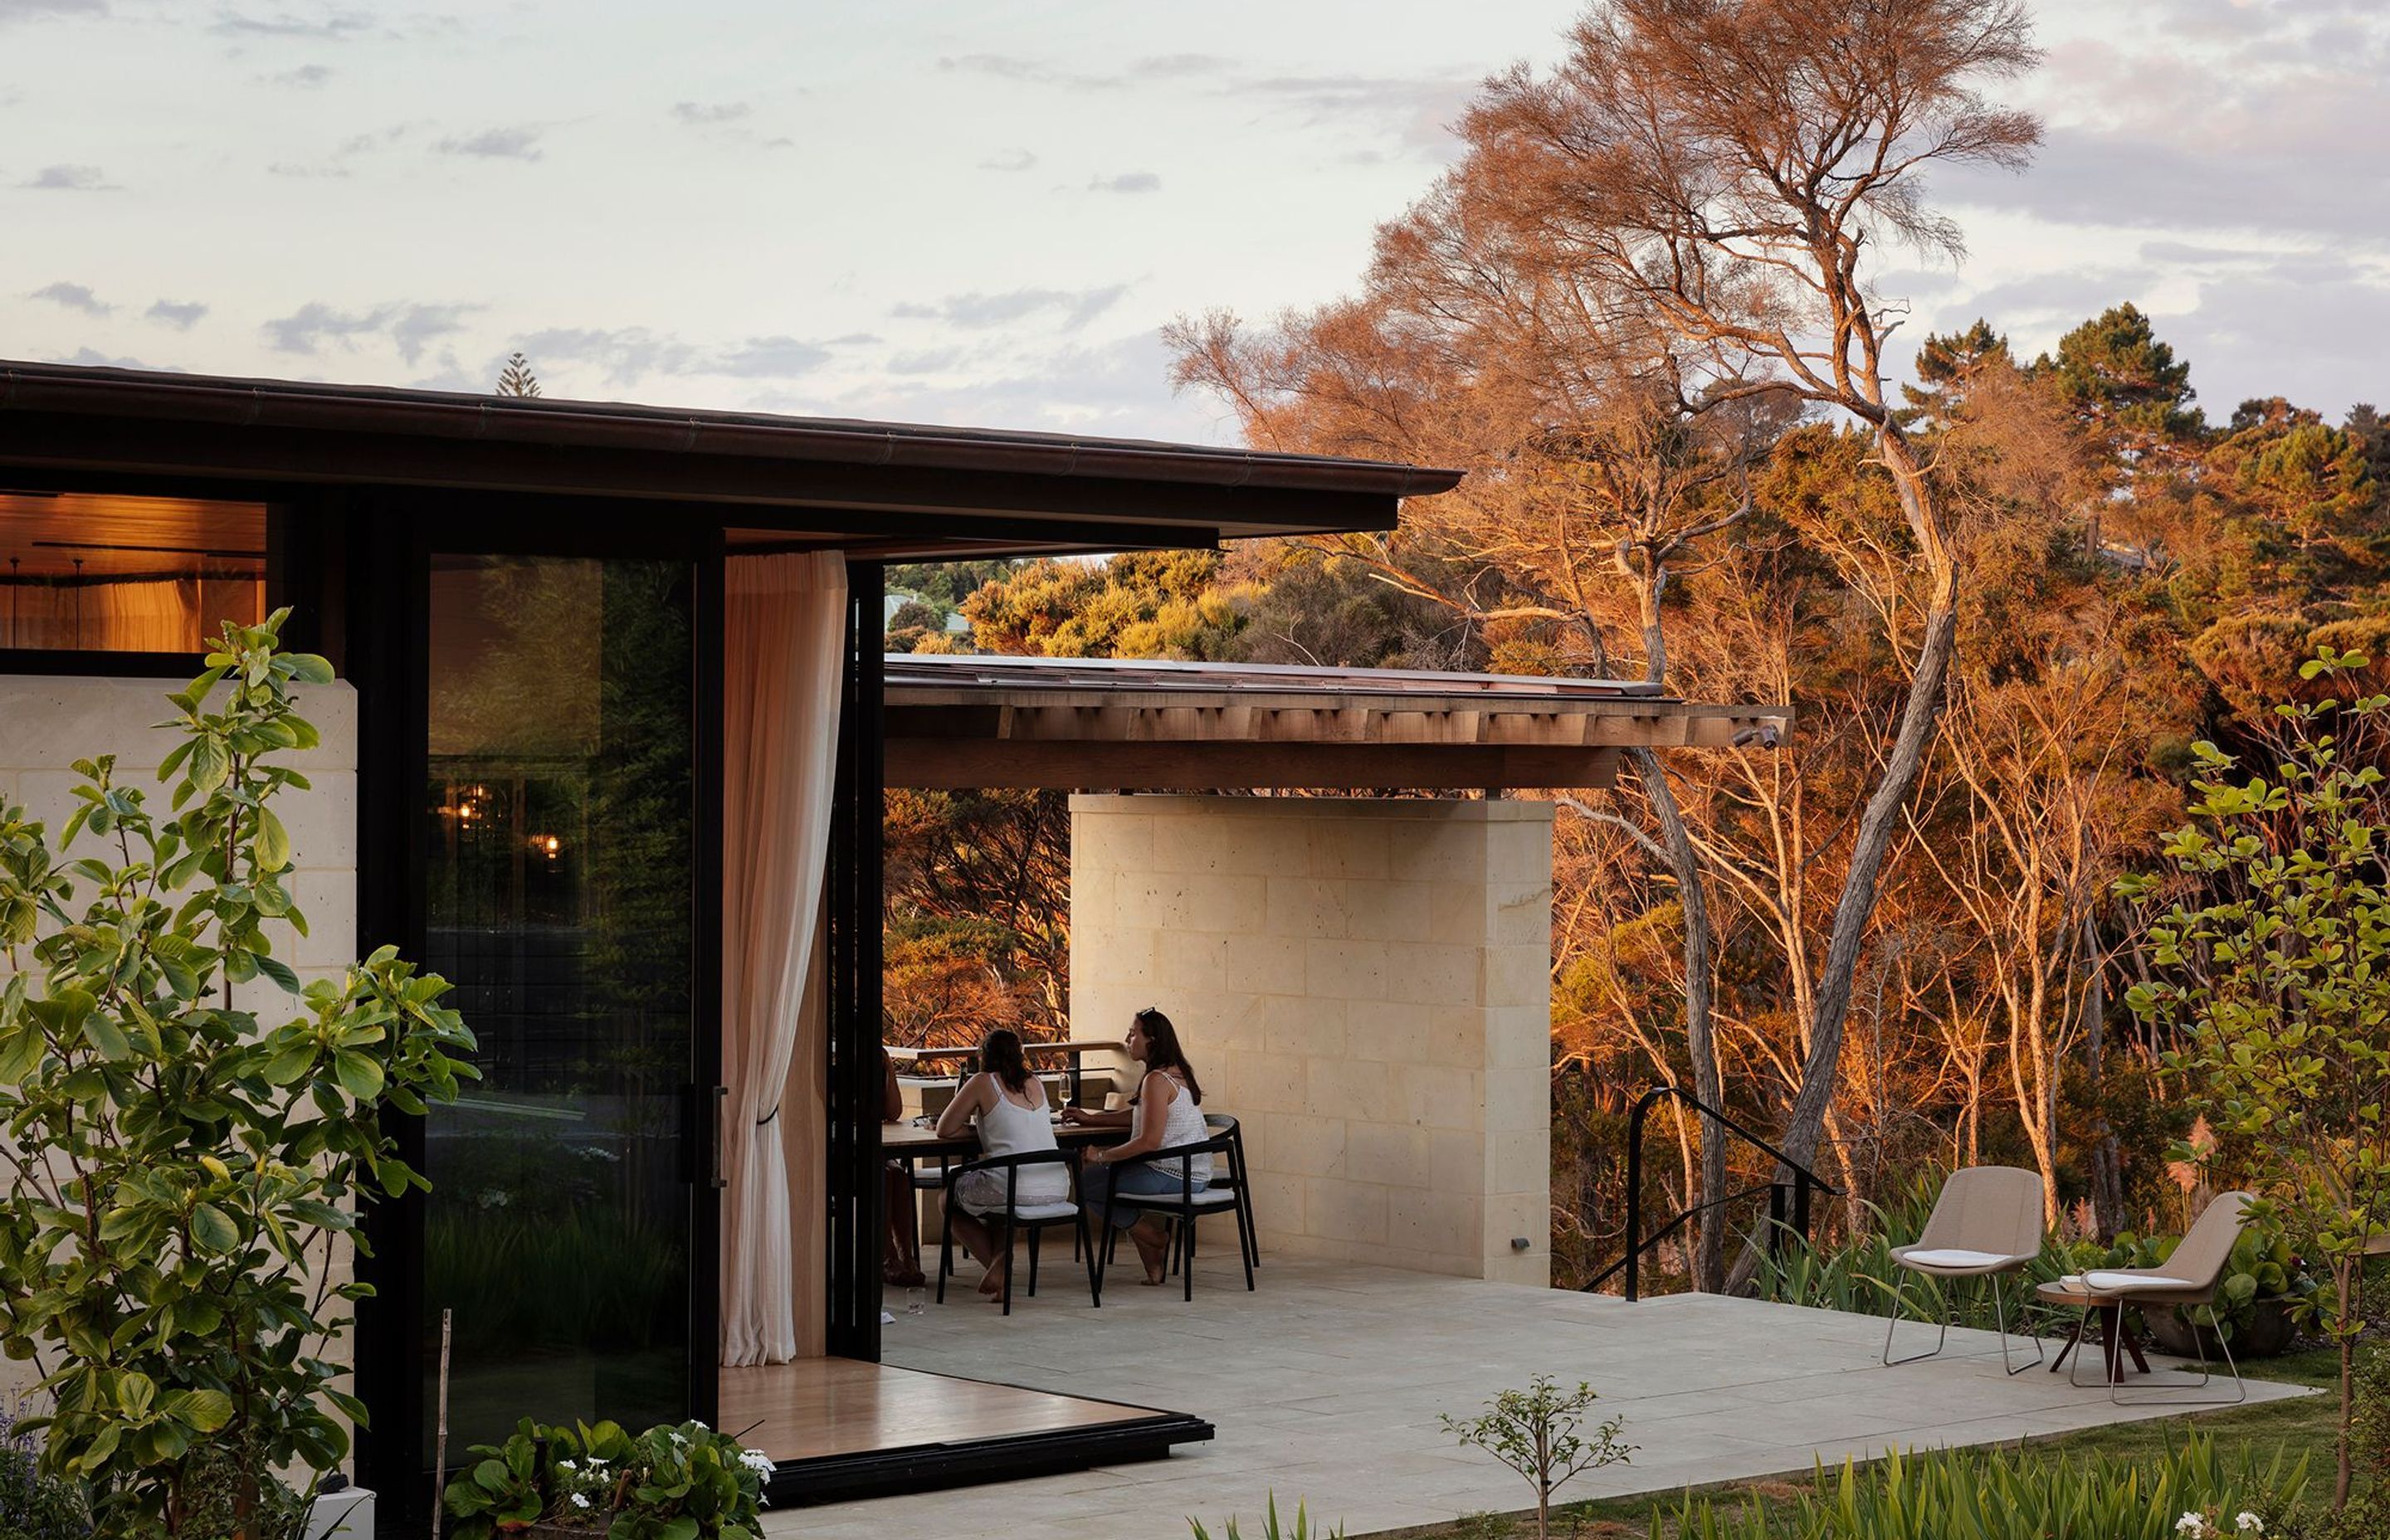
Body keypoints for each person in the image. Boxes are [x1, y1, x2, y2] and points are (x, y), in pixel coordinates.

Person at [1062, 1006, 1212, 1286]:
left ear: (1151, 1040)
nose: (1127, 1038)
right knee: (1097, 1183)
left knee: (1088, 1185)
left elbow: (1149, 1141)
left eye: (1133, 1033)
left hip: (1174, 1174)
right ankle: (1153, 1259)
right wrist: (1092, 1117)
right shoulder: (1175, 1072)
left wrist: (1101, 1155)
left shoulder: (1156, 1080)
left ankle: (1155, 1238)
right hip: (1193, 1171)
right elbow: (1143, 1116)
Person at [934, 1028, 1071, 1299]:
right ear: (1020, 1055)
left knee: (947, 1199)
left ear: (984, 1055)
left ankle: (1001, 1269)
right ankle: (1000, 1273)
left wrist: (979, 1129)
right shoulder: (1035, 1082)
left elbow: (944, 1129)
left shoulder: (982, 1082)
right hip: (1058, 1185)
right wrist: (989, 1128)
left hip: (1014, 1186)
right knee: (1000, 1202)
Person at [880, 1045, 925, 1290]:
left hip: (876, 1150)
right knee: (884, 1176)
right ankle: (886, 1258)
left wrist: (889, 1070)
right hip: (841, 1153)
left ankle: (905, 1256)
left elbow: (893, 1112)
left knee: (898, 1175)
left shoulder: (874, 1068)